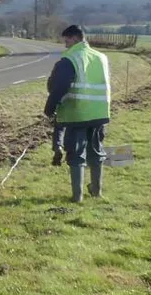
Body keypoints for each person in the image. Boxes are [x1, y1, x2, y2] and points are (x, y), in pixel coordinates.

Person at [43, 25, 111, 202]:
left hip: (77, 112)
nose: (65, 44)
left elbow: (60, 86)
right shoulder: (100, 57)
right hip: (99, 112)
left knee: (75, 154)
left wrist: (49, 108)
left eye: (66, 40)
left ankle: (77, 196)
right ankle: (97, 192)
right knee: (96, 152)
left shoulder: (70, 59)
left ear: (74, 38)